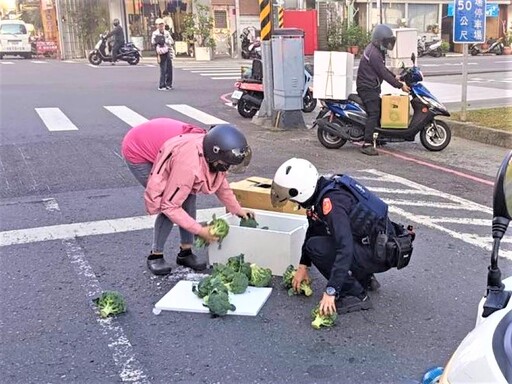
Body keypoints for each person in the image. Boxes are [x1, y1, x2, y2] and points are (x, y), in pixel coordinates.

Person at [270, 158, 415, 316]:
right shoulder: (326, 190)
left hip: (380, 254)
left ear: (301, 192)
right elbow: (314, 227)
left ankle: (354, 294)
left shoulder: (332, 204)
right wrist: (303, 266)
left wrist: (331, 290)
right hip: (376, 247)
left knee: (316, 247)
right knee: (322, 236)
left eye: (291, 198)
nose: (292, 202)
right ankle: (364, 279)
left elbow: (345, 248)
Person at [127, 123, 254, 275]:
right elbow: (170, 206)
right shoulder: (188, 164)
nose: (227, 168)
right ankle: (156, 255)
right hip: (138, 148)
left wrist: (237, 209)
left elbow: (221, 185)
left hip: (170, 145)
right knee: (168, 203)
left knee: (188, 196)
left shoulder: (213, 151)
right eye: (226, 164)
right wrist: (200, 230)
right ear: (214, 154)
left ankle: (185, 253)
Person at [356, 24, 411, 156]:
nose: (388, 45)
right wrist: (400, 86)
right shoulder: (374, 53)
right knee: (374, 112)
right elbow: (383, 74)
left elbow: (383, 71)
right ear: (378, 40)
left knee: (381, 109)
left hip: (371, 86)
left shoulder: (376, 50)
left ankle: (378, 136)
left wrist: (396, 77)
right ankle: (367, 143)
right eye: (386, 42)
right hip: (367, 88)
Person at [151, 18, 174, 90]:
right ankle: (162, 85)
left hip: (167, 50)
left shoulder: (166, 32)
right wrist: (158, 40)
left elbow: (171, 41)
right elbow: (153, 42)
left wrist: (166, 41)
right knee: (163, 68)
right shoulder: (155, 33)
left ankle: (169, 84)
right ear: (157, 26)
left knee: (169, 67)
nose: (161, 26)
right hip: (160, 52)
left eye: (162, 24)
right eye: (159, 25)